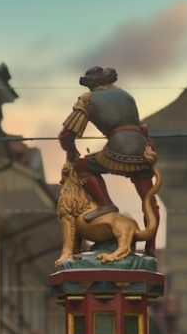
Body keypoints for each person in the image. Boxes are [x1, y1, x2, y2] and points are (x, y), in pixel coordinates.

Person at [58, 66, 160, 253]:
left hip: (118, 147)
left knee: (83, 166)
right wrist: (148, 147)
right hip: (142, 147)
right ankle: (150, 247)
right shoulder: (126, 96)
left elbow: (66, 135)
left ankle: (105, 204)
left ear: (90, 83)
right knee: (149, 200)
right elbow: (143, 127)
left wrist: (72, 153)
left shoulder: (88, 99)